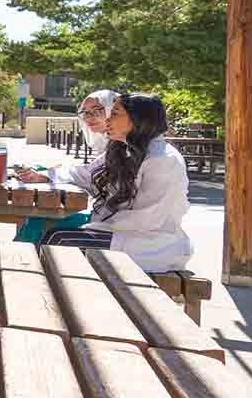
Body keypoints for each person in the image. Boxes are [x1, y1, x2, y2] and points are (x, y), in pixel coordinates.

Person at [22, 93, 191, 272]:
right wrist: (45, 176)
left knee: (60, 238)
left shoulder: (163, 159)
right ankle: (25, 279)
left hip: (149, 244)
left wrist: (97, 227)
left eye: (115, 114)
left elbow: (147, 218)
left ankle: (38, 290)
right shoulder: (124, 148)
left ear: (138, 119)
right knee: (47, 224)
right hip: (117, 232)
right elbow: (86, 174)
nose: (108, 120)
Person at [15, 88, 117, 244]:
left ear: (113, 111)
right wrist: (46, 173)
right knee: (37, 216)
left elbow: (86, 175)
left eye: (97, 111)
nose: (89, 117)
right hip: (105, 217)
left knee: (40, 220)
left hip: (116, 226)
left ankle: (21, 261)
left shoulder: (123, 146)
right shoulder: (109, 144)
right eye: (85, 113)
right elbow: (86, 173)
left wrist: (46, 175)